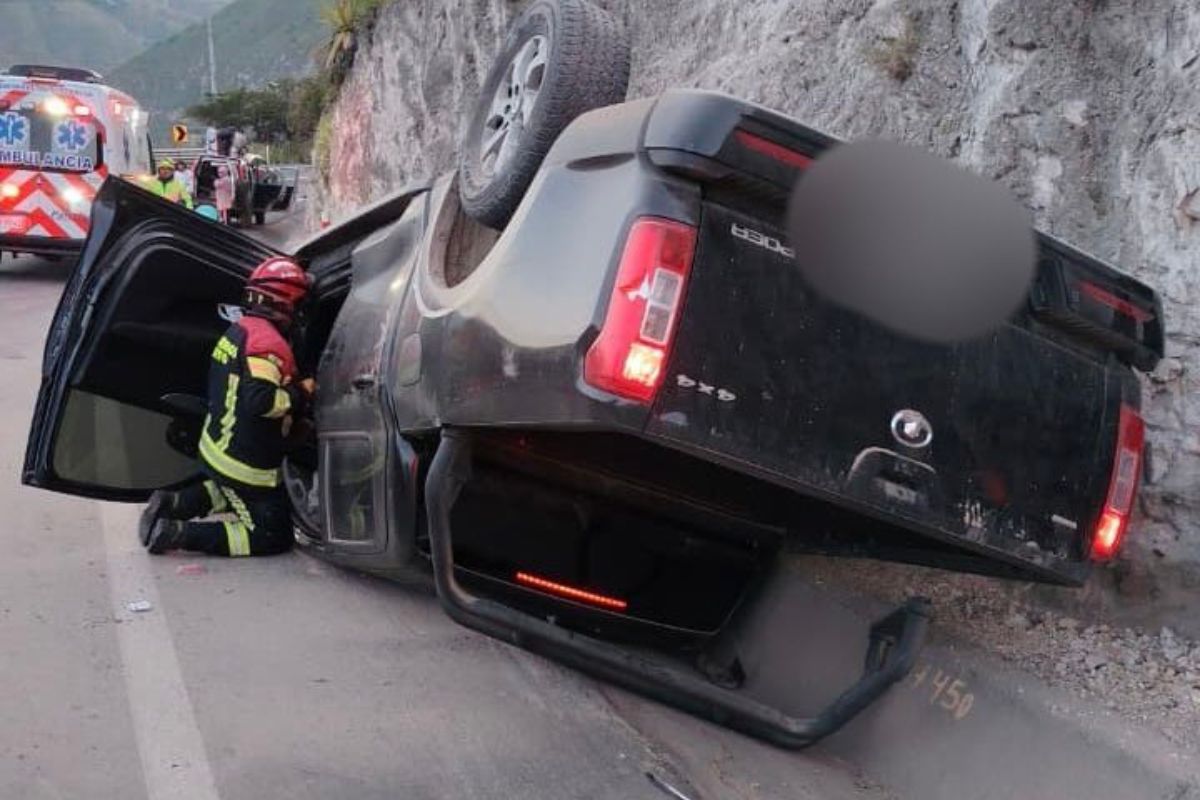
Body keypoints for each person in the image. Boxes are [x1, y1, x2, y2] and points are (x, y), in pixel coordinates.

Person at [139, 257, 315, 557]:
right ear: (286, 304)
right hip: (245, 467)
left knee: (229, 491)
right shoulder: (267, 345)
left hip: (218, 449)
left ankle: (173, 504)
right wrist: (299, 392)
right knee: (271, 534)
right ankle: (176, 534)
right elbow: (260, 401)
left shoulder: (242, 330)